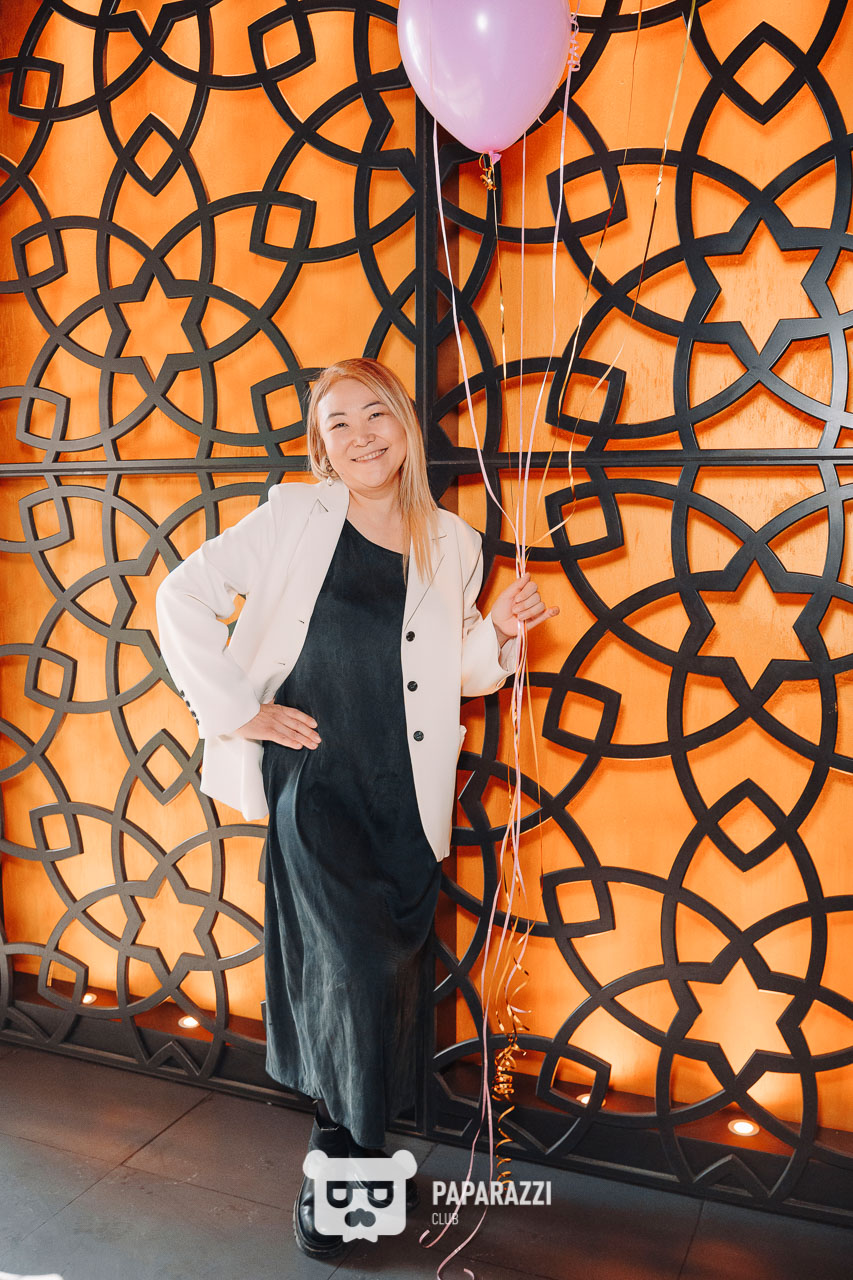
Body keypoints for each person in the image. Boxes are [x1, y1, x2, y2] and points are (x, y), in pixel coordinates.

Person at [155, 358, 558, 1259]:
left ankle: (354, 1154)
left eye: (375, 415)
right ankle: (341, 1166)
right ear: (320, 446)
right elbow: (178, 596)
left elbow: (450, 670)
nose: (361, 435)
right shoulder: (293, 517)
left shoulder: (453, 541)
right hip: (317, 785)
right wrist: (237, 711)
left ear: (405, 425)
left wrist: (495, 634)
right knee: (348, 971)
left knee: (388, 976)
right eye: (338, 423)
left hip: (403, 790)